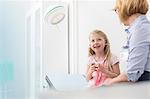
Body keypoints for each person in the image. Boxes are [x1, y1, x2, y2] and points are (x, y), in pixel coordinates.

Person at [104, 0, 150, 85]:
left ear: (124, 9)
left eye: (117, 10)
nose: (117, 14)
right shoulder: (140, 28)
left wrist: (109, 82)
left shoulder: (139, 30)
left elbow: (132, 74)